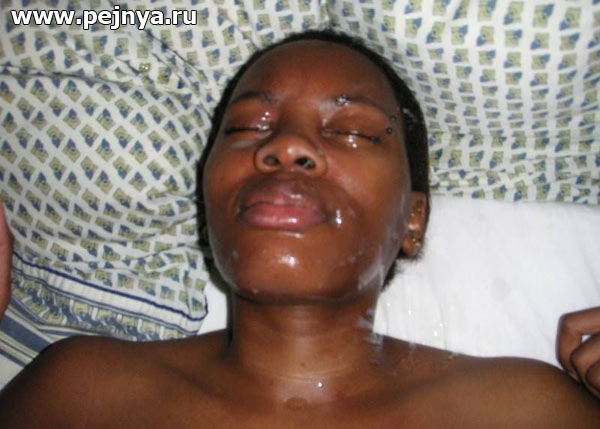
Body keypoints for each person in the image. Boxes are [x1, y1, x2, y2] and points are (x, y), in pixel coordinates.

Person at [0, 30, 598, 427]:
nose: (286, 146)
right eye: (246, 127)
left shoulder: (526, 410)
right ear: (207, 206)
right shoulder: (79, 392)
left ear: (413, 220)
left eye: (353, 132)